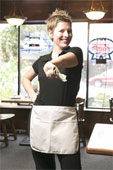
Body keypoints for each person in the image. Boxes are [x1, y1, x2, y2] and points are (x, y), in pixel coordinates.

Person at [22, 8, 83, 170]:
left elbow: (67, 60)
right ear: (51, 33)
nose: (66, 34)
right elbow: (25, 78)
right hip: (41, 118)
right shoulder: (42, 61)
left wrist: (54, 63)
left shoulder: (75, 53)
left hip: (65, 121)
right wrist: (33, 96)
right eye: (61, 30)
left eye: (69, 31)